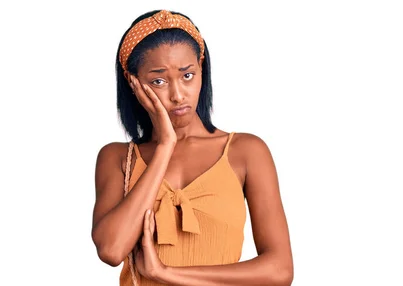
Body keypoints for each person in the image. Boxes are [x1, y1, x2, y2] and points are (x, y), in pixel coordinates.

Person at [91, 9, 293, 286]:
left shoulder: (246, 151)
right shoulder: (116, 158)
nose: (177, 95)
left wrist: (165, 273)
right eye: (158, 81)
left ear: (200, 67)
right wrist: (165, 146)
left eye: (187, 75)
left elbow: (279, 271)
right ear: (133, 82)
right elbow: (111, 250)